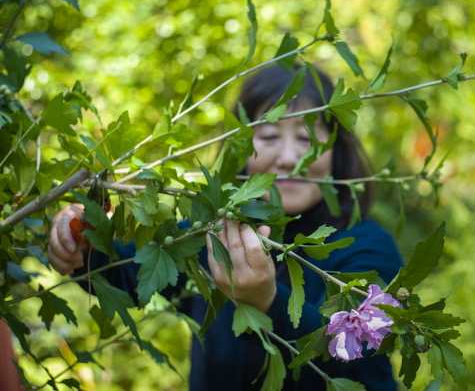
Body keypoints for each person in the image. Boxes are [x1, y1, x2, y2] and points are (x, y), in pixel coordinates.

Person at [47, 64, 404, 390]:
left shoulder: (369, 248)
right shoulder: (214, 230)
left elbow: (349, 357)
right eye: (268, 136)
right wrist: (82, 238)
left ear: (336, 152)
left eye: (308, 138)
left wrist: (266, 302)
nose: (290, 158)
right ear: (239, 147)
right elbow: (131, 274)